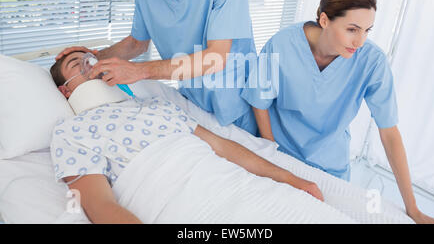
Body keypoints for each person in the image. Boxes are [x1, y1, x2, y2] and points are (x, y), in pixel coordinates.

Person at [241, 0, 434, 224]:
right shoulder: (282, 44)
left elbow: (389, 133)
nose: (360, 41)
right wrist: (272, 155)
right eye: (352, 29)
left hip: (329, 166)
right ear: (325, 20)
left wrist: (413, 209)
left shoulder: (372, 62)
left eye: (368, 31)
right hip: (282, 152)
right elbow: (259, 102)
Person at [49, 50, 325, 224]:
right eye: (77, 63)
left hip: (234, 186)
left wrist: (290, 178)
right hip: (180, 202)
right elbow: (100, 204)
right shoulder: (71, 132)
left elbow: (221, 146)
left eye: (92, 58)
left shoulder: (156, 104)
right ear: (65, 90)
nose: (89, 64)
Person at [55, 0, 257, 135]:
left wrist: (140, 71)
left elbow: (216, 57)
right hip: (193, 100)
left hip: (236, 100)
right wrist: (90, 58)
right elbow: (137, 43)